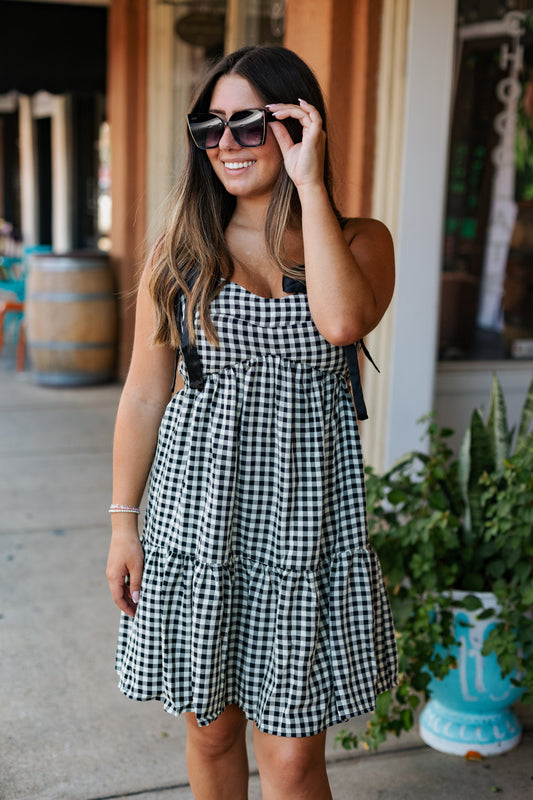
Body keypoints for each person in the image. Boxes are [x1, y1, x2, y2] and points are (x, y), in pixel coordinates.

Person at [106, 44, 398, 800]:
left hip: (306, 524)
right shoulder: (182, 252)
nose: (225, 145)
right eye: (210, 129)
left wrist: (307, 183)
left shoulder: (361, 241)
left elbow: (340, 322)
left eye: (248, 125)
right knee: (211, 732)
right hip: (198, 515)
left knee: (296, 761)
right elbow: (144, 394)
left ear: (300, 126)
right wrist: (121, 522)